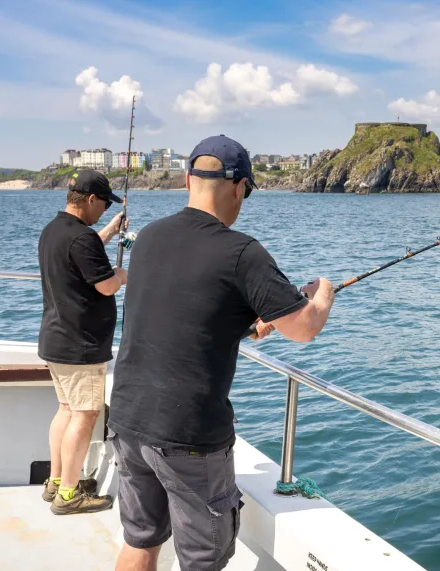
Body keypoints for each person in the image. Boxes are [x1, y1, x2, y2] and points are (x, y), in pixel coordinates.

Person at [109, 135, 335, 571]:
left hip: (128, 418)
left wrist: (249, 324)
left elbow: (184, 311)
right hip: (189, 434)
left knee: (139, 541)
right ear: (239, 188)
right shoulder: (242, 252)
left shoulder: (152, 237)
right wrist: (322, 294)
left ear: (187, 178)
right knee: (202, 561)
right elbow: (304, 328)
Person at [38, 169, 128, 515]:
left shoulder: (55, 231)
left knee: (65, 410)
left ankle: (57, 481)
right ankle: (70, 495)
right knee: (85, 414)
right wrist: (121, 275)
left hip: (56, 340)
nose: (104, 211)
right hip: (82, 346)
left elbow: (83, 254)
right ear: (91, 199)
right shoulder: (82, 239)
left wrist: (108, 231)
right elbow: (105, 284)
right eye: (104, 205)